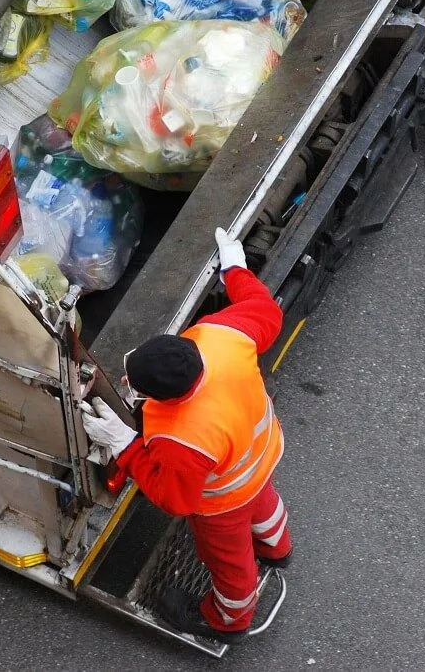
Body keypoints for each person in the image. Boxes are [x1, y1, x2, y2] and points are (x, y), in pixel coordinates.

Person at [81, 227, 292, 642]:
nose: (126, 379)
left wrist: (124, 444)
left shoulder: (182, 436)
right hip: (259, 454)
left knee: (230, 562)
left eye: (135, 384)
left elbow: (176, 499)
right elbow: (264, 309)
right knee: (264, 503)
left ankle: (228, 619)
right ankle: (277, 547)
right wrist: (235, 269)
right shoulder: (220, 337)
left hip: (224, 499)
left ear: (167, 399)